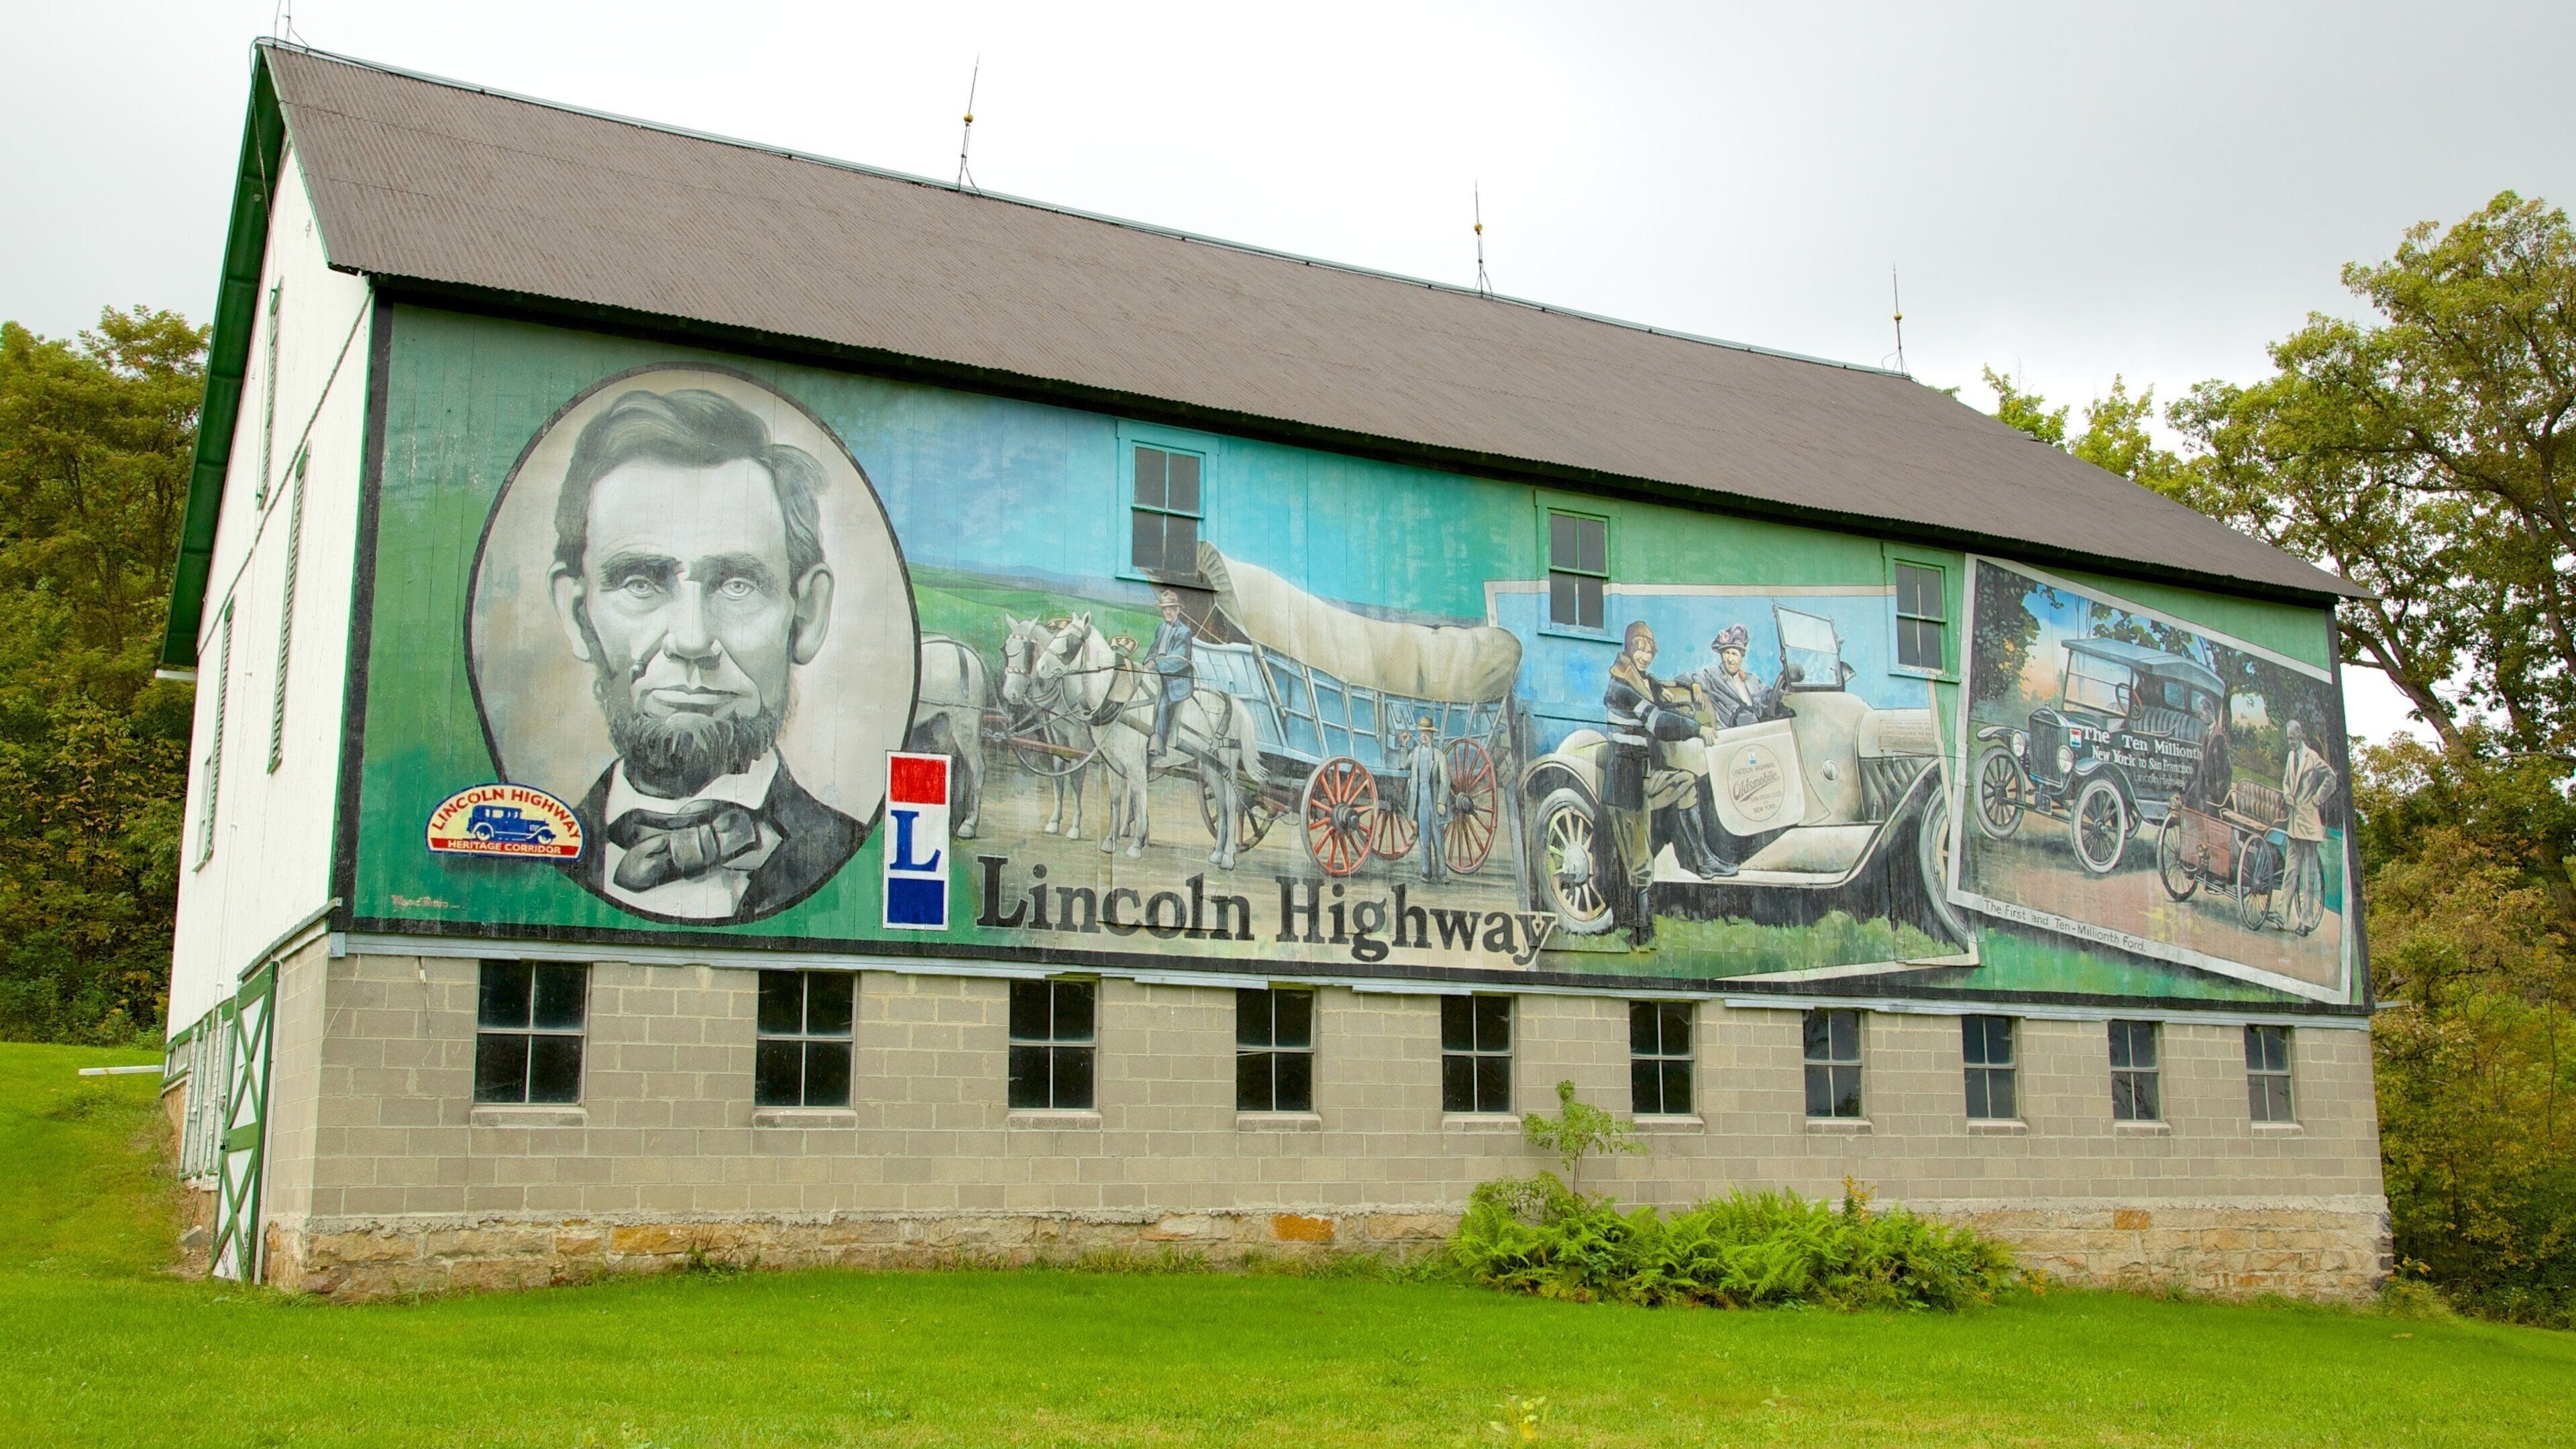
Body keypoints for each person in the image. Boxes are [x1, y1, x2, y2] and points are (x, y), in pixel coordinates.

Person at [546, 387, 860, 922]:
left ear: (806, 615)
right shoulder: (529, 861)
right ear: (579, 617)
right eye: (641, 582)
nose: (692, 640)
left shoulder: (854, 858)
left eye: (737, 584)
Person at [1601, 622, 1731, 947]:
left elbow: (1671, 691)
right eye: (1639, 649)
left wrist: (1694, 684)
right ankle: (1639, 929)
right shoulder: (1621, 686)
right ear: (1629, 649)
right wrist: (1696, 729)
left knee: (1686, 782)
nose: (1644, 656)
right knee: (1640, 862)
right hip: (1625, 785)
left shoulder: (1645, 682)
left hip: (1646, 776)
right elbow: (1658, 722)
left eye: (1648, 650)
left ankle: (1703, 859)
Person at [2279, 719, 2336, 934]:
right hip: (2294, 823)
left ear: (2301, 735)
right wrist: (2287, 795)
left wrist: (2318, 799)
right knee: (2290, 870)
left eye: (2292, 738)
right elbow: (2286, 781)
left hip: (2310, 824)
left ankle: (2306, 921)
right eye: (2288, 739)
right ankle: (2282, 914)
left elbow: (2332, 777)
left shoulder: (2312, 758)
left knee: (2308, 875)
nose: (2290, 742)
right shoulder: (2290, 756)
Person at [1689, 623, 1778, 731]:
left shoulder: (1752, 680)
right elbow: (1689, 677)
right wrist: (1695, 685)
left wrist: (1783, 692)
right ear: (1722, 655)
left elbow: (1768, 695)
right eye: (1727, 653)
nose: (1730, 659)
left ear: (1742, 656)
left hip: (1759, 730)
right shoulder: (1714, 675)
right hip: (1732, 733)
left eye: (1734, 654)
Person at [1145, 586, 1196, 762]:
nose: (1167, 612)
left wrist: (1156, 664)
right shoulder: (1161, 628)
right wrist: (1148, 661)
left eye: (1170, 609)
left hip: (1176, 677)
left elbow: (1178, 659)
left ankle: (1158, 745)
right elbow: (1153, 649)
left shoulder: (1184, 632)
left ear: (1177, 610)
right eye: (1164, 609)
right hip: (1159, 672)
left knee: (1163, 701)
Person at [1403, 716, 1451, 883]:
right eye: (1422, 732)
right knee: (1424, 839)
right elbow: (1403, 764)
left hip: (1434, 800)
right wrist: (1404, 745)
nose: (1423, 735)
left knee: (1438, 840)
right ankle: (1425, 873)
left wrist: (1441, 802)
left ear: (1432, 735)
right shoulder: (1415, 753)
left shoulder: (1439, 756)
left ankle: (1442, 874)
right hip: (1420, 800)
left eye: (1426, 733)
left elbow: (1445, 780)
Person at [2186, 694, 2233, 811]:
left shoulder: (2218, 737)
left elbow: (2221, 772)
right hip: (2207, 794)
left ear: (2210, 712)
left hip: (2215, 798)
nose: (2201, 717)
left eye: (2202, 713)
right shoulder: (2207, 734)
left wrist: (2216, 799)